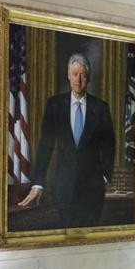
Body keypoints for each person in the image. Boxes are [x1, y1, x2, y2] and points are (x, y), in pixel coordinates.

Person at [18, 53, 115, 228]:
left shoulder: (100, 108)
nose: (78, 79)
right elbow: (46, 145)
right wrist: (38, 183)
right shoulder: (54, 105)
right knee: (66, 234)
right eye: (75, 74)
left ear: (88, 78)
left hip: (93, 189)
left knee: (90, 236)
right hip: (64, 187)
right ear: (68, 76)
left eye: (82, 74)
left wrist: (104, 176)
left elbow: (109, 145)